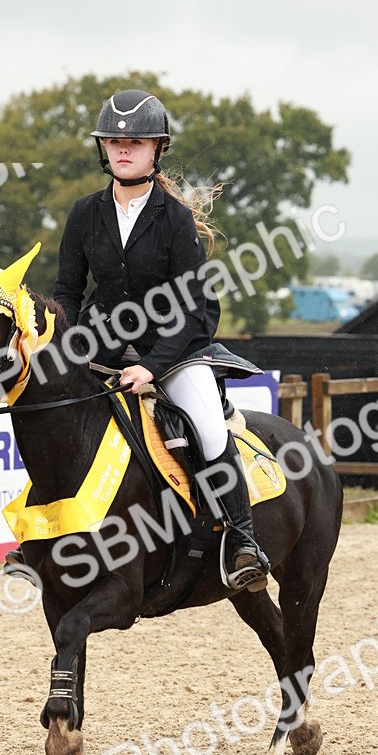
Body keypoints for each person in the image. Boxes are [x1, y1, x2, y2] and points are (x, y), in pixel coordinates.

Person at [50, 88, 270, 593]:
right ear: (103, 149)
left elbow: (194, 308)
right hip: (103, 347)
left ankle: (241, 540)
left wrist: (151, 366)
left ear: (158, 149)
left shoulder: (172, 217)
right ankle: (43, 537)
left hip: (174, 349)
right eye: (114, 141)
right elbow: (68, 291)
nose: (123, 149)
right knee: (59, 418)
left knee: (210, 429)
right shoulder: (84, 213)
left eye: (137, 141)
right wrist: (72, 345)